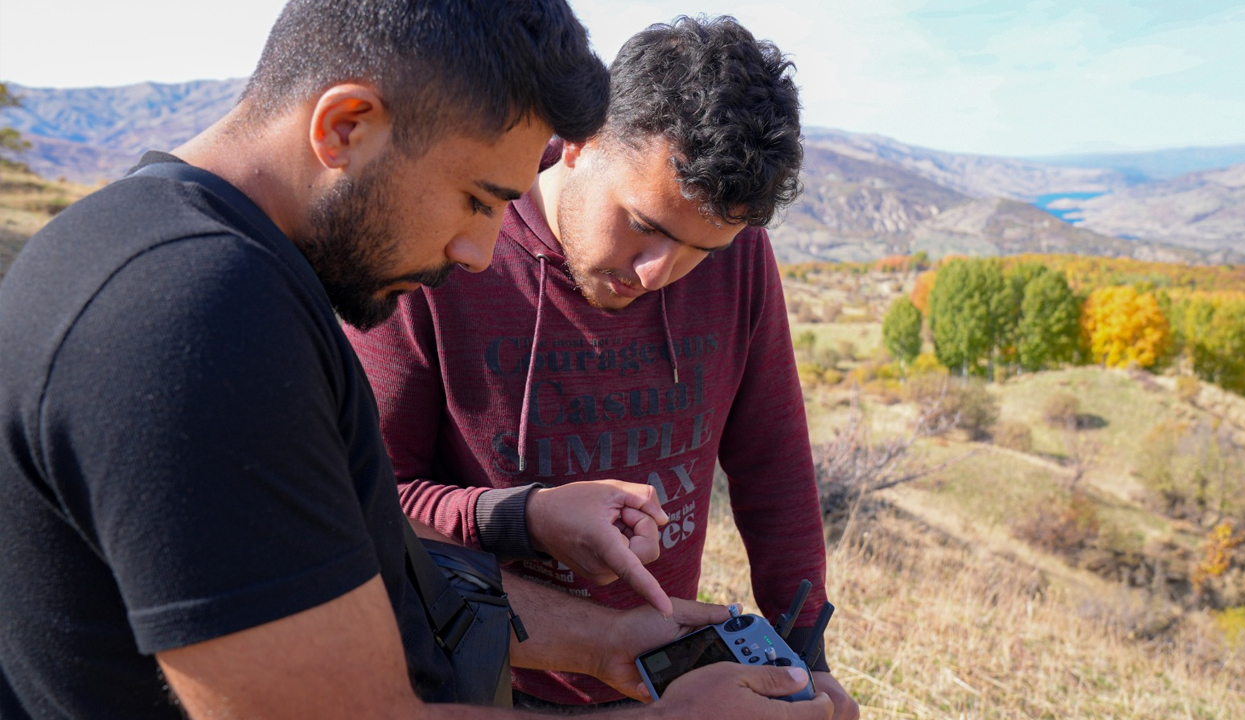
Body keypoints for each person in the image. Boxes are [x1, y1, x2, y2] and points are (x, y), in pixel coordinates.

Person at [0, 2, 836, 719]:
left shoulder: (189, 267)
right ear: (345, 126)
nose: (479, 252)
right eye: (478, 199)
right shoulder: (189, 321)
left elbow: (364, 568)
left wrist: (608, 640)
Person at [347, 16, 858, 719]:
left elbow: (774, 464)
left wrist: (807, 658)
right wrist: (525, 519)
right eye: (646, 225)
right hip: (473, 681)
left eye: (699, 252)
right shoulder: (452, 249)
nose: (659, 274)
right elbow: (375, 505)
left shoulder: (739, 261)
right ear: (582, 140)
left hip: (668, 679)